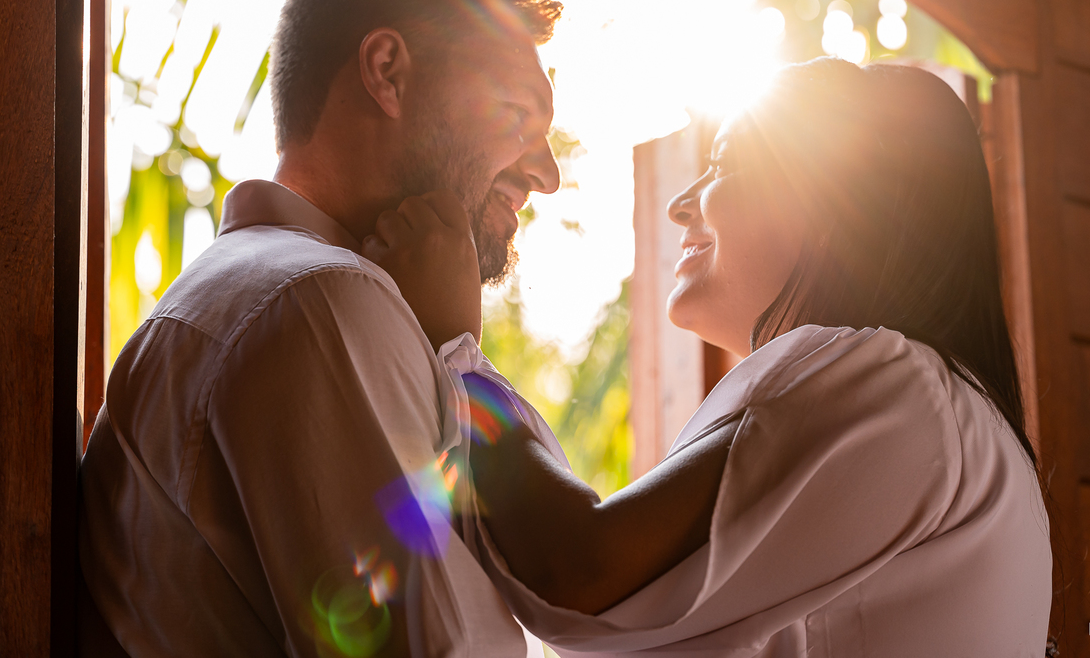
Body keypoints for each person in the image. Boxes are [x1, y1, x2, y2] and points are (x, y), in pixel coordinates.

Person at [370, 58, 1053, 657]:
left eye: (725, 163)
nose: (679, 205)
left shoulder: (895, 385)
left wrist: (454, 347)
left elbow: (577, 572)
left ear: (840, 198)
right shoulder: (939, 412)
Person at [77, 0, 565, 658]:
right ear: (387, 70)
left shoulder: (243, 296)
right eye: (518, 116)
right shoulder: (318, 302)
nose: (545, 173)